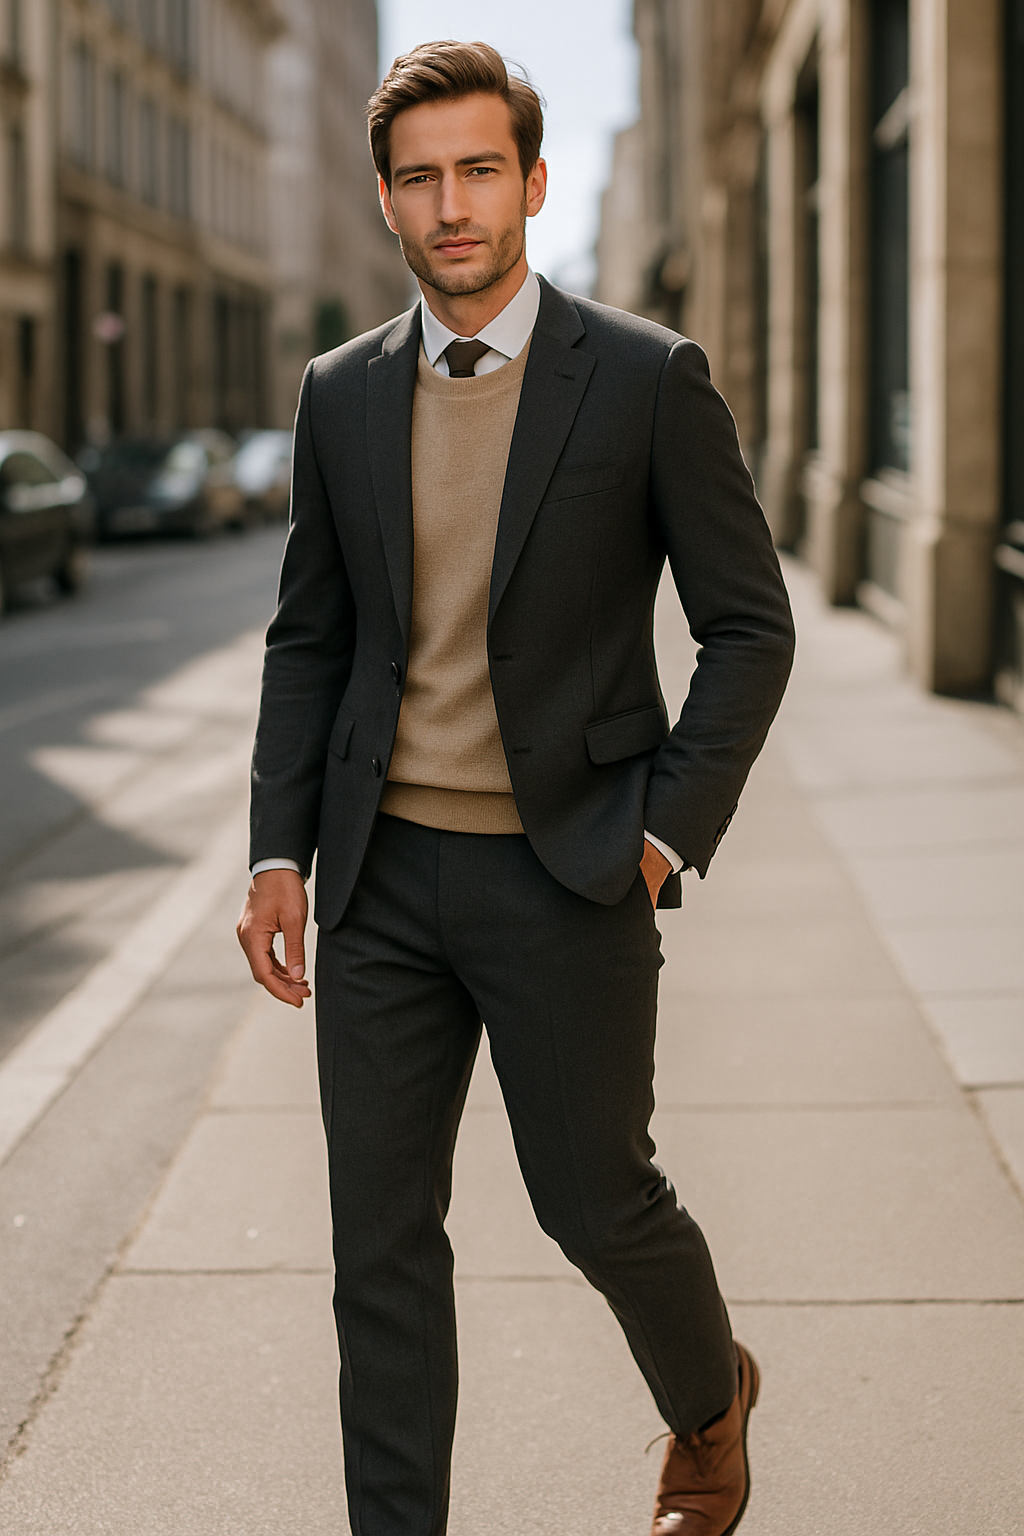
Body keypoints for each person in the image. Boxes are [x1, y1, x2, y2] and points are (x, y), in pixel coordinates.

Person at [237, 39, 794, 1536]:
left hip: (572, 870)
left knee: (595, 1200)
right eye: (421, 179)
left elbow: (750, 626)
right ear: (386, 201)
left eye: (480, 170)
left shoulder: (646, 377)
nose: (453, 205)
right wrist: (276, 854)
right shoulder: (341, 392)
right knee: (381, 1248)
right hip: (376, 878)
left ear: (533, 184)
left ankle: (709, 1401)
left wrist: (664, 835)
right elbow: (311, 637)